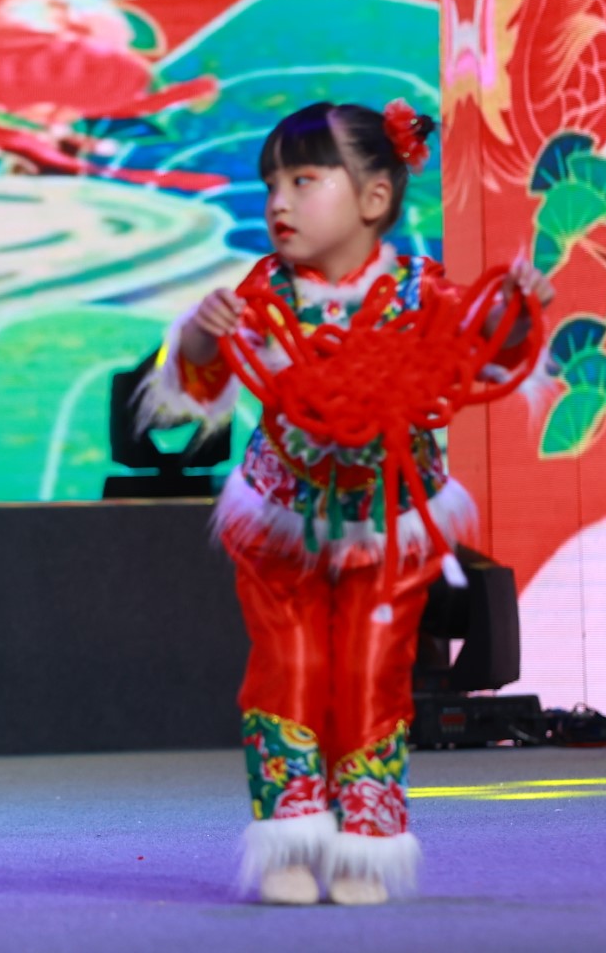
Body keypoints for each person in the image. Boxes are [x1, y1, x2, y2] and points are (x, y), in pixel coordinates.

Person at [138, 101, 554, 905]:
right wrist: (197, 334)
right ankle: (292, 833)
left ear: (374, 197)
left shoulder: (423, 291)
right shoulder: (264, 291)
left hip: (390, 521)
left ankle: (367, 836)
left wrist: (517, 309)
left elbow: (487, 349)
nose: (278, 203)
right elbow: (198, 378)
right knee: (289, 668)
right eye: (270, 186)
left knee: (373, 672)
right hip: (281, 518)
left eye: (302, 181)